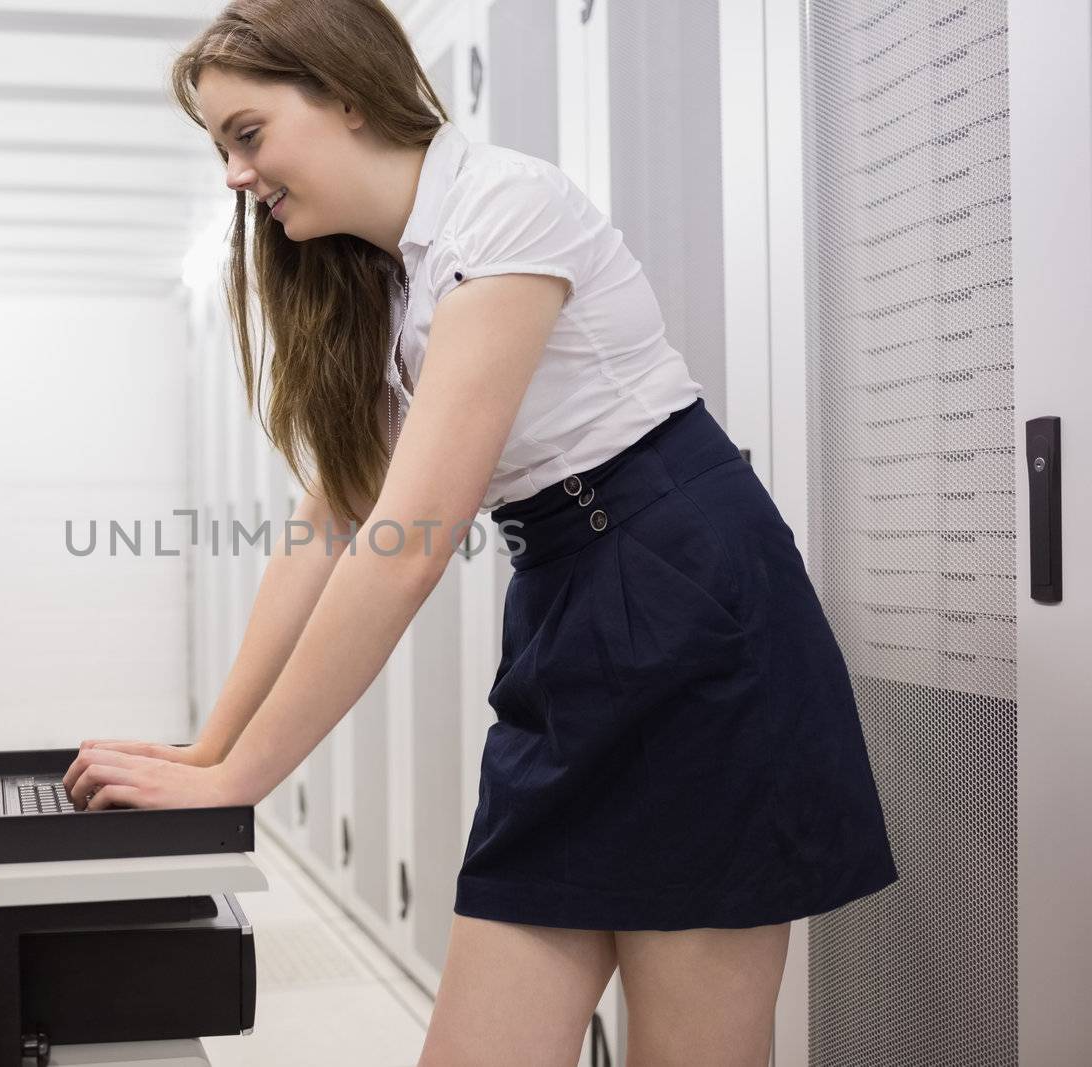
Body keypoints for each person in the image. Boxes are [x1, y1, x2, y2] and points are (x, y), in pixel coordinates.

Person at [62, 1, 898, 1063]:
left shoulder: (508, 207)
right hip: (566, 599)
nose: (234, 174)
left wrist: (243, 779)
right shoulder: (380, 275)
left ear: (344, 94)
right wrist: (211, 748)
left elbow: (407, 542)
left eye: (247, 132)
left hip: (694, 610)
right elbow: (328, 524)